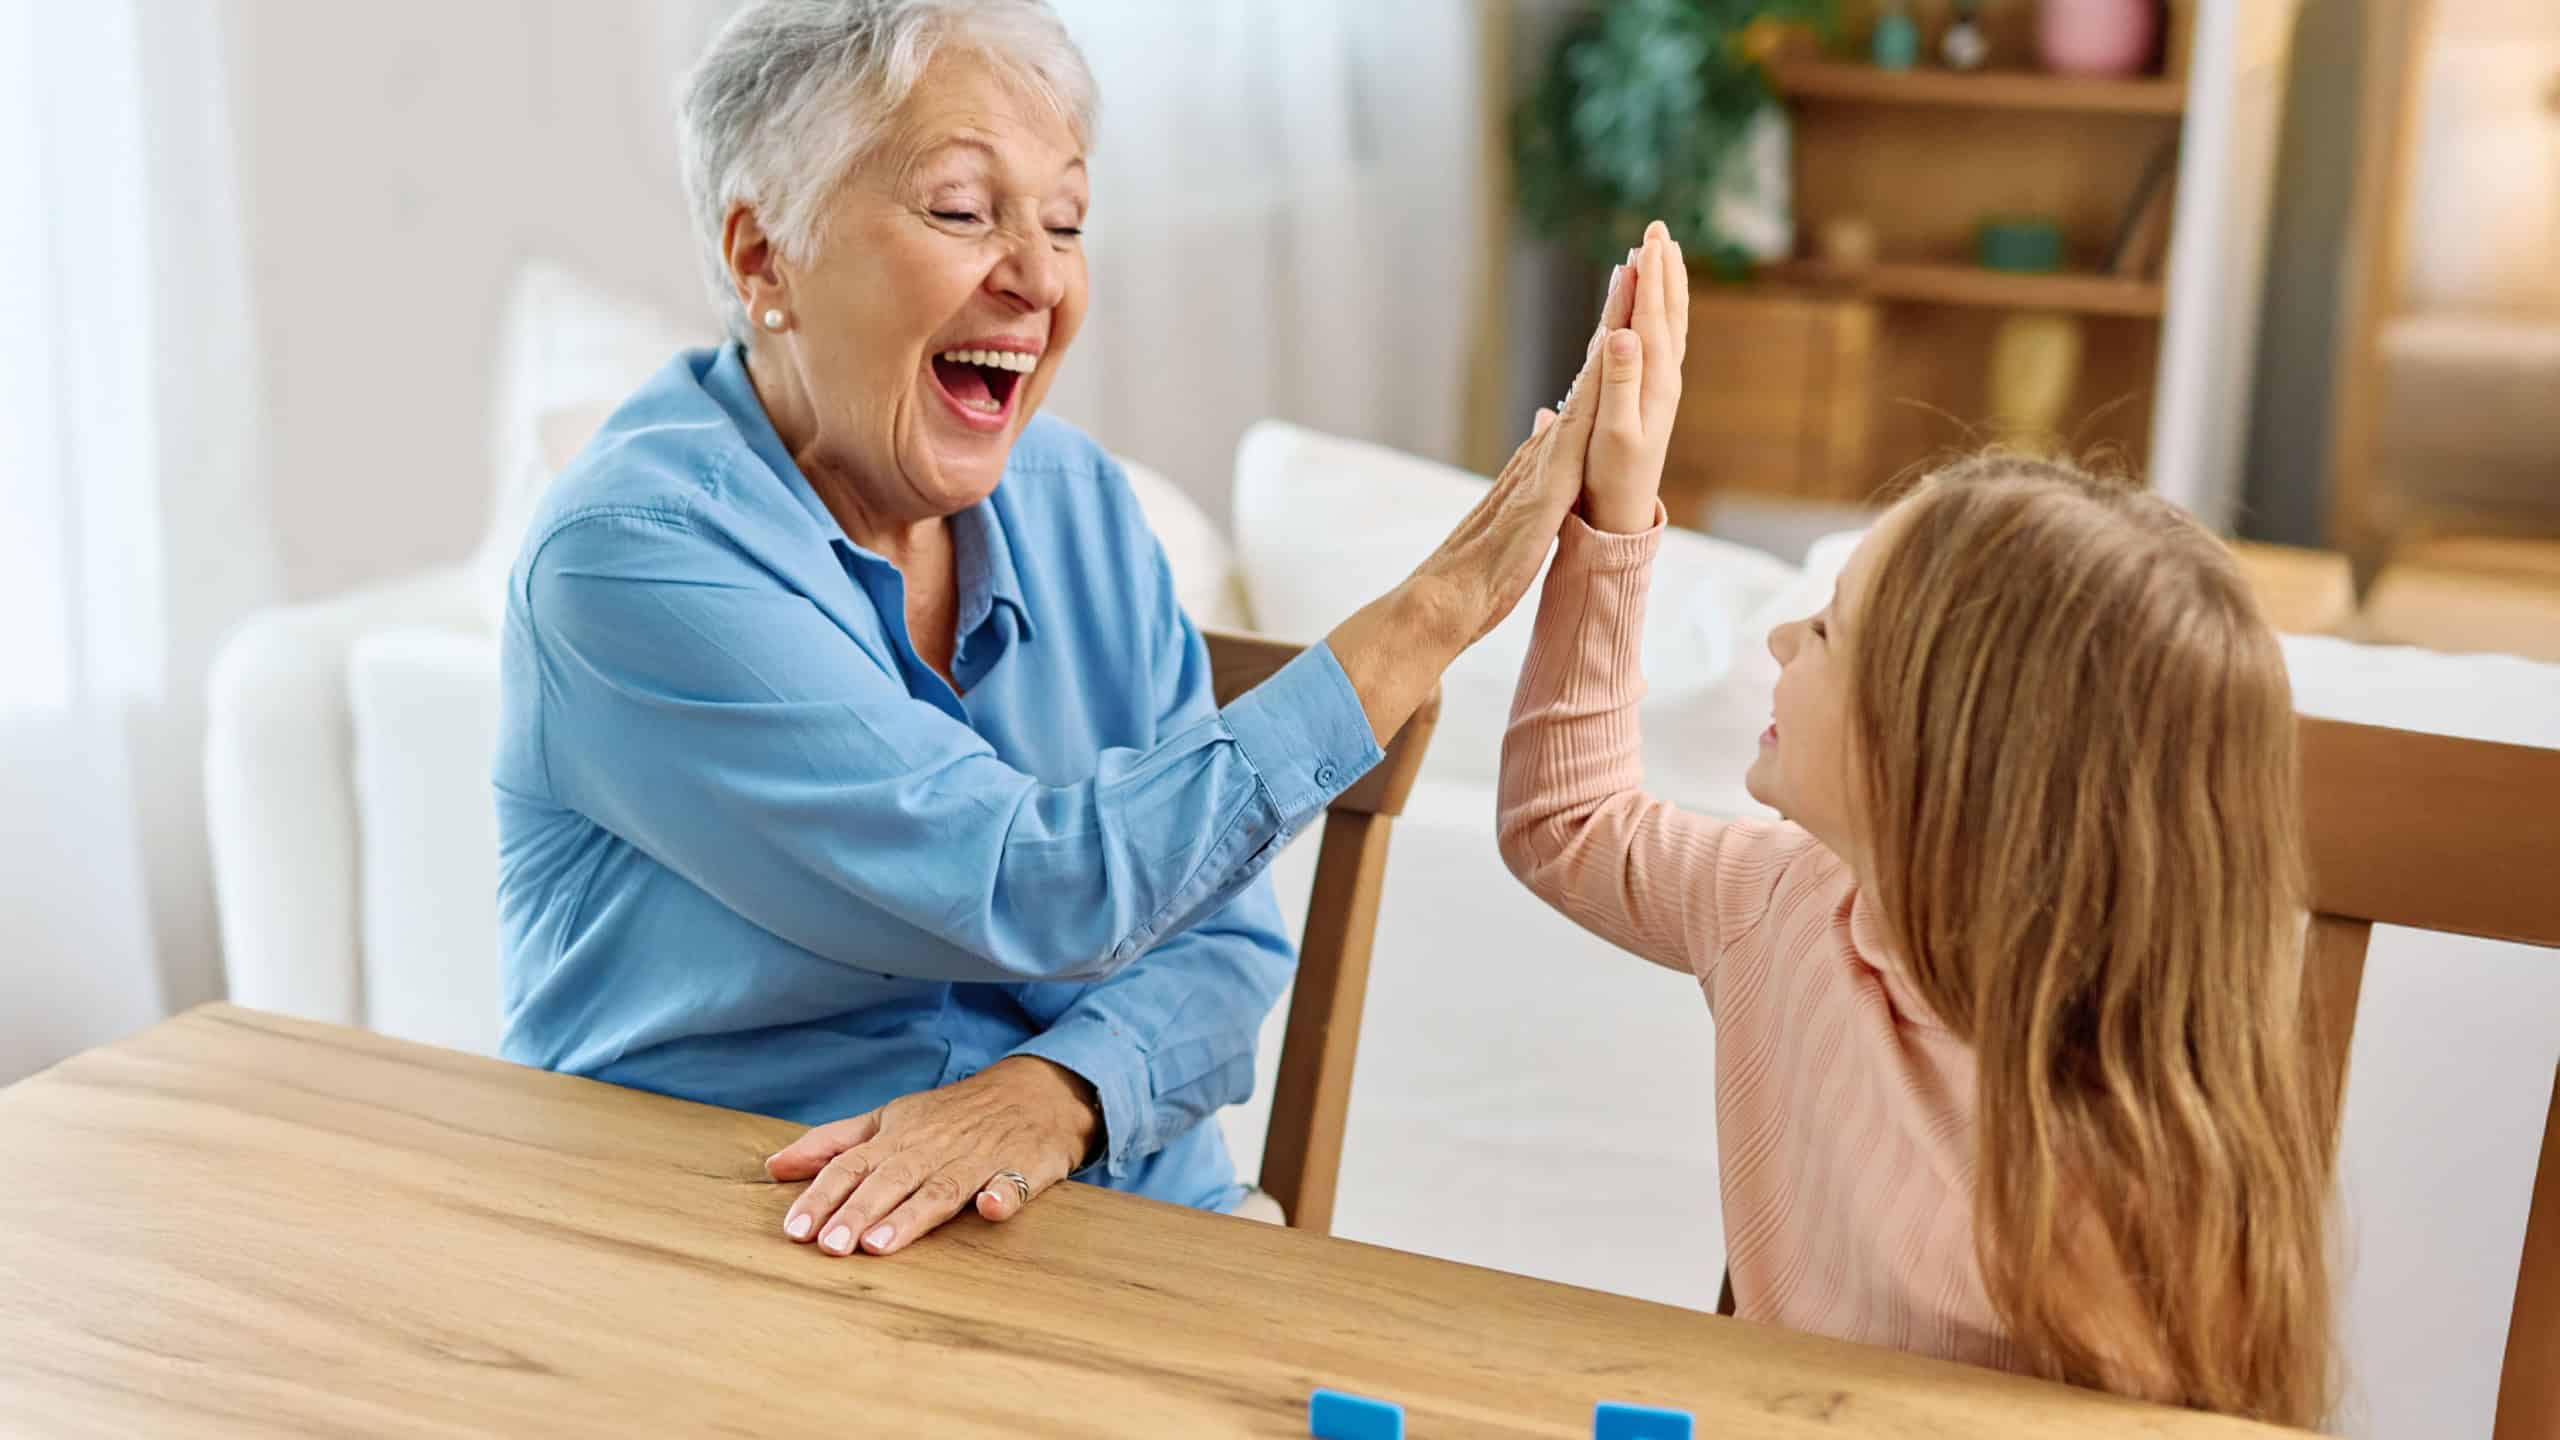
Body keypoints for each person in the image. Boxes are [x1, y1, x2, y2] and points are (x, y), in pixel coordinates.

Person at [497, 0, 1620, 1261]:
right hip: (748, 1228)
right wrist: (1436, 610)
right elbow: (1028, 884)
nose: (1036, 276)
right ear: (766, 259)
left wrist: (1059, 1098)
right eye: (963, 210)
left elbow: (1224, 942)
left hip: (1122, 1221)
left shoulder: (1080, 506)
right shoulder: (632, 556)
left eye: (1068, 219)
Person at [1501, 221, 2335, 1425]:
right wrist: (1617, 512)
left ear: (1947, 755)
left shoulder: (2124, 1153)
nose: (1782, 644)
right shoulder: (1781, 906)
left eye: (1830, 632)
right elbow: (1565, 821)